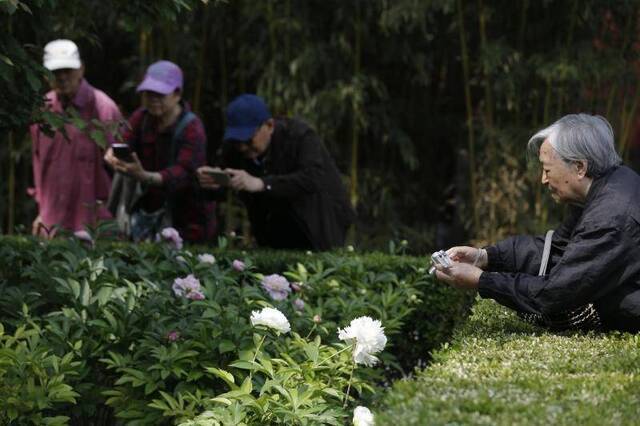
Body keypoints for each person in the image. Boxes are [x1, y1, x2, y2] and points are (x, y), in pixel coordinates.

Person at [434, 114, 640, 332]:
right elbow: (555, 249)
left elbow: (555, 293)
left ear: (580, 167)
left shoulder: (610, 218)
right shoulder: (611, 184)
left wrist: (481, 281)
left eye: (547, 169)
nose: (543, 179)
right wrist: (484, 257)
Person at [197, 94, 354, 250]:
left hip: (319, 222)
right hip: (272, 229)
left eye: (248, 140)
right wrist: (214, 183)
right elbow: (226, 185)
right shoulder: (233, 149)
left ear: (269, 126)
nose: (243, 147)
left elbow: (312, 178)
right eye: (238, 142)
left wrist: (261, 183)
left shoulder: (299, 136)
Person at [104, 60, 215, 243]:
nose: (153, 100)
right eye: (149, 94)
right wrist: (114, 155)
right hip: (148, 217)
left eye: (160, 94)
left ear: (177, 94)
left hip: (186, 221)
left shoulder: (192, 128)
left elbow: (183, 173)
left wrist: (146, 176)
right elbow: (124, 141)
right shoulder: (142, 117)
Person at [30, 39, 122, 237]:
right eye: (56, 71)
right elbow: (39, 163)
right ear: (45, 75)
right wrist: (41, 210)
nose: (62, 77)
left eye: (68, 70)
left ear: (81, 69)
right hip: (51, 223)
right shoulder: (42, 110)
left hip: (96, 226)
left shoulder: (104, 108)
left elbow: (121, 169)